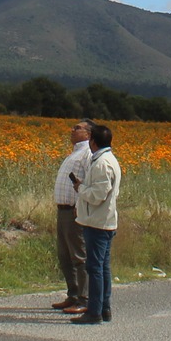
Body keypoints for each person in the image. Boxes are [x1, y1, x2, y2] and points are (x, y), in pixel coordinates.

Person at [71, 122, 120, 324]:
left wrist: (80, 189)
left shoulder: (101, 163)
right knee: (103, 267)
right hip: (104, 220)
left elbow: (98, 195)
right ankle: (104, 308)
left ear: (92, 141)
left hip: (97, 222)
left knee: (95, 268)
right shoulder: (108, 160)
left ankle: (94, 311)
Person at [51, 120, 92, 313]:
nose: (72, 130)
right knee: (64, 255)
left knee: (78, 255)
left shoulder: (87, 154)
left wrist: (80, 204)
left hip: (74, 211)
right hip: (63, 210)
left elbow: (89, 181)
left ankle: (84, 299)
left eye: (77, 128)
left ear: (89, 133)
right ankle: (72, 294)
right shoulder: (74, 153)